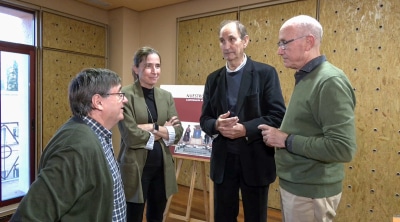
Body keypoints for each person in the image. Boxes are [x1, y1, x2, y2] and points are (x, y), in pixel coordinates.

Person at [258, 15, 357, 222]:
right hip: (299, 187)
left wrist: (285, 140)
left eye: (285, 43)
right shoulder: (307, 77)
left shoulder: (329, 81)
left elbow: (342, 148)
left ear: (309, 42)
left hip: (311, 192)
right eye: (279, 44)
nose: (279, 50)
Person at [10, 68, 127, 221]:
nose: (124, 99)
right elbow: (29, 217)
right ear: (98, 102)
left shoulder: (97, 135)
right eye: (119, 94)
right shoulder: (76, 147)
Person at [199, 20, 286, 222]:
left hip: (255, 161)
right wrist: (217, 125)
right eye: (222, 41)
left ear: (245, 41)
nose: (227, 46)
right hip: (223, 163)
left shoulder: (265, 74)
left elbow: (277, 115)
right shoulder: (213, 79)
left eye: (232, 39)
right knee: (223, 217)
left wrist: (244, 129)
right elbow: (205, 119)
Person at [117, 46, 184, 222]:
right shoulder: (125, 95)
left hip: (161, 167)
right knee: (133, 216)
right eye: (148, 66)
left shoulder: (166, 96)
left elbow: (177, 132)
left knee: (156, 216)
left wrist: (150, 127)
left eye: (158, 66)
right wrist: (162, 129)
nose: (154, 71)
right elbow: (130, 136)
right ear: (136, 68)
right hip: (135, 168)